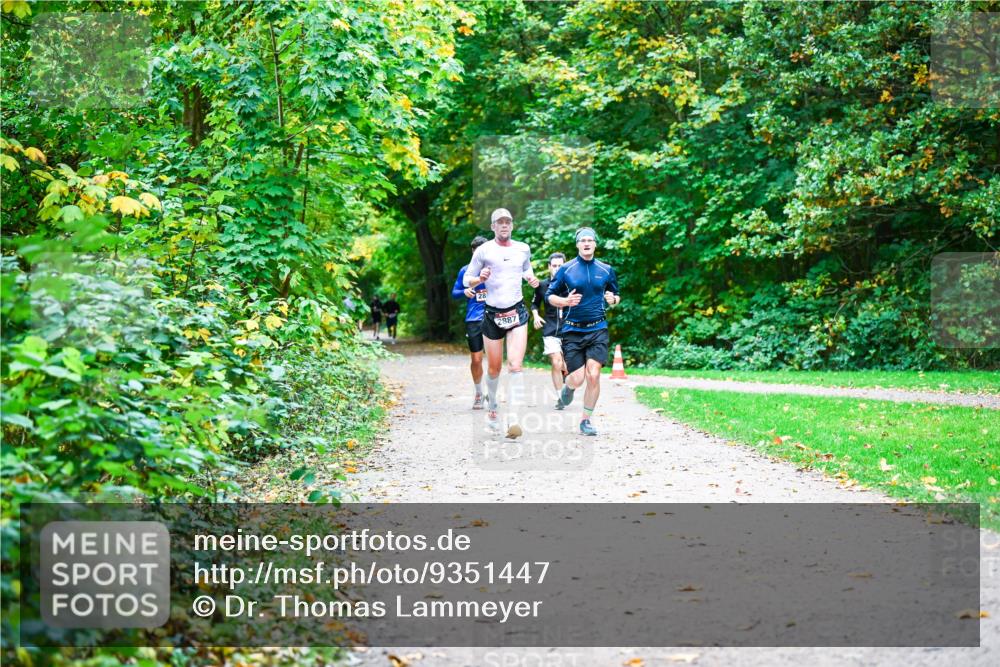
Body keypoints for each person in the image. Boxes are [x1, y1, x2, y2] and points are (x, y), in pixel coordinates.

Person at [463, 208, 539, 437]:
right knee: (494, 369)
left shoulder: (522, 249)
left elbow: (527, 268)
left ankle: (514, 419)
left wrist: (530, 277)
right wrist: (479, 279)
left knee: (515, 365)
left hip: (516, 312)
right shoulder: (484, 251)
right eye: (500, 222)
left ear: (512, 225)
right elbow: (468, 279)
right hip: (492, 314)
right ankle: (493, 408)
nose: (504, 225)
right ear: (493, 226)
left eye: (508, 222)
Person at [545, 227, 620, 436]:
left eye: (590, 240)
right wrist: (565, 301)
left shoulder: (606, 269)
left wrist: (613, 300)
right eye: (583, 240)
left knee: (593, 375)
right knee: (577, 379)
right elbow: (549, 296)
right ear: (577, 245)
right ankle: (567, 388)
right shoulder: (566, 269)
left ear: (595, 243)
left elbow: (616, 294)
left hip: (598, 328)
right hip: (573, 331)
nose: (587, 243)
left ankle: (586, 420)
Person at [451, 236, 489, 409]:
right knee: (476, 359)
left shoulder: (495, 269)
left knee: (495, 359)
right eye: (476, 251)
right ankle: (479, 392)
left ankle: (493, 393)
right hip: (474, 319)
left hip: (494, 317)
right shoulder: (466, 271)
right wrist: (464, 292)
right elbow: (455, 293)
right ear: (473, 252)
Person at [531, 252, 567, 395]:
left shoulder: (572, 284)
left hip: (570, 329)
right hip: (550, 328)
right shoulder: (541, 286)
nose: (557, 268)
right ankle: (560, 397)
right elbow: (534, 304)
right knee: (556, 362)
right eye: (554, 266)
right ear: (549, 267)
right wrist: (536, 316)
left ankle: (566, 376)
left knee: (569, 366)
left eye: (560, 266)